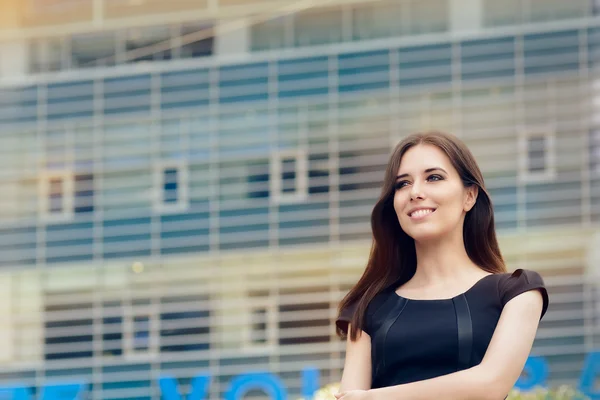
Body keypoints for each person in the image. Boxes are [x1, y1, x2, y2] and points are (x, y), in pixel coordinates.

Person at [333, 132, 549, 400]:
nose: (415, 192)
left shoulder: (516, 292)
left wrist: (376, 398)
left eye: (433, 177)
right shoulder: (368, 307)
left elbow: (490, 385)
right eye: (402, 184)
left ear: (469, 196)